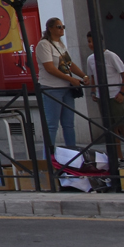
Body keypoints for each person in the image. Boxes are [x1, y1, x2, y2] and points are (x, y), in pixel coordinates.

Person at [86, 31, 124, 165]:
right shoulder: (90, 59)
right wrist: (93, 92)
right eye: (88, 41)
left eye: (93, 41)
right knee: (111, 129)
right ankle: (118, 157)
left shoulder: (111, 56)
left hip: (115, 95)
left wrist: (122, 92)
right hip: (101, 97)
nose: (91, 44)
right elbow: (93, 76)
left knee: (123, 126)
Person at [36, 17, 88, 149]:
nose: (62, 29)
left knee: (69, 124)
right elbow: (49, 68)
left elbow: (68, 64)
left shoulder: (60, 44)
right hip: (52, 88)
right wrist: (71, 79)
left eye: (63, 27)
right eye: (59, 27)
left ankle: (72, 153)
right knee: (52, 125)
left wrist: (83, 76)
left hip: (67, 88)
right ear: (50, 29)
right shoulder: (44, 45)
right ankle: (49, 156)